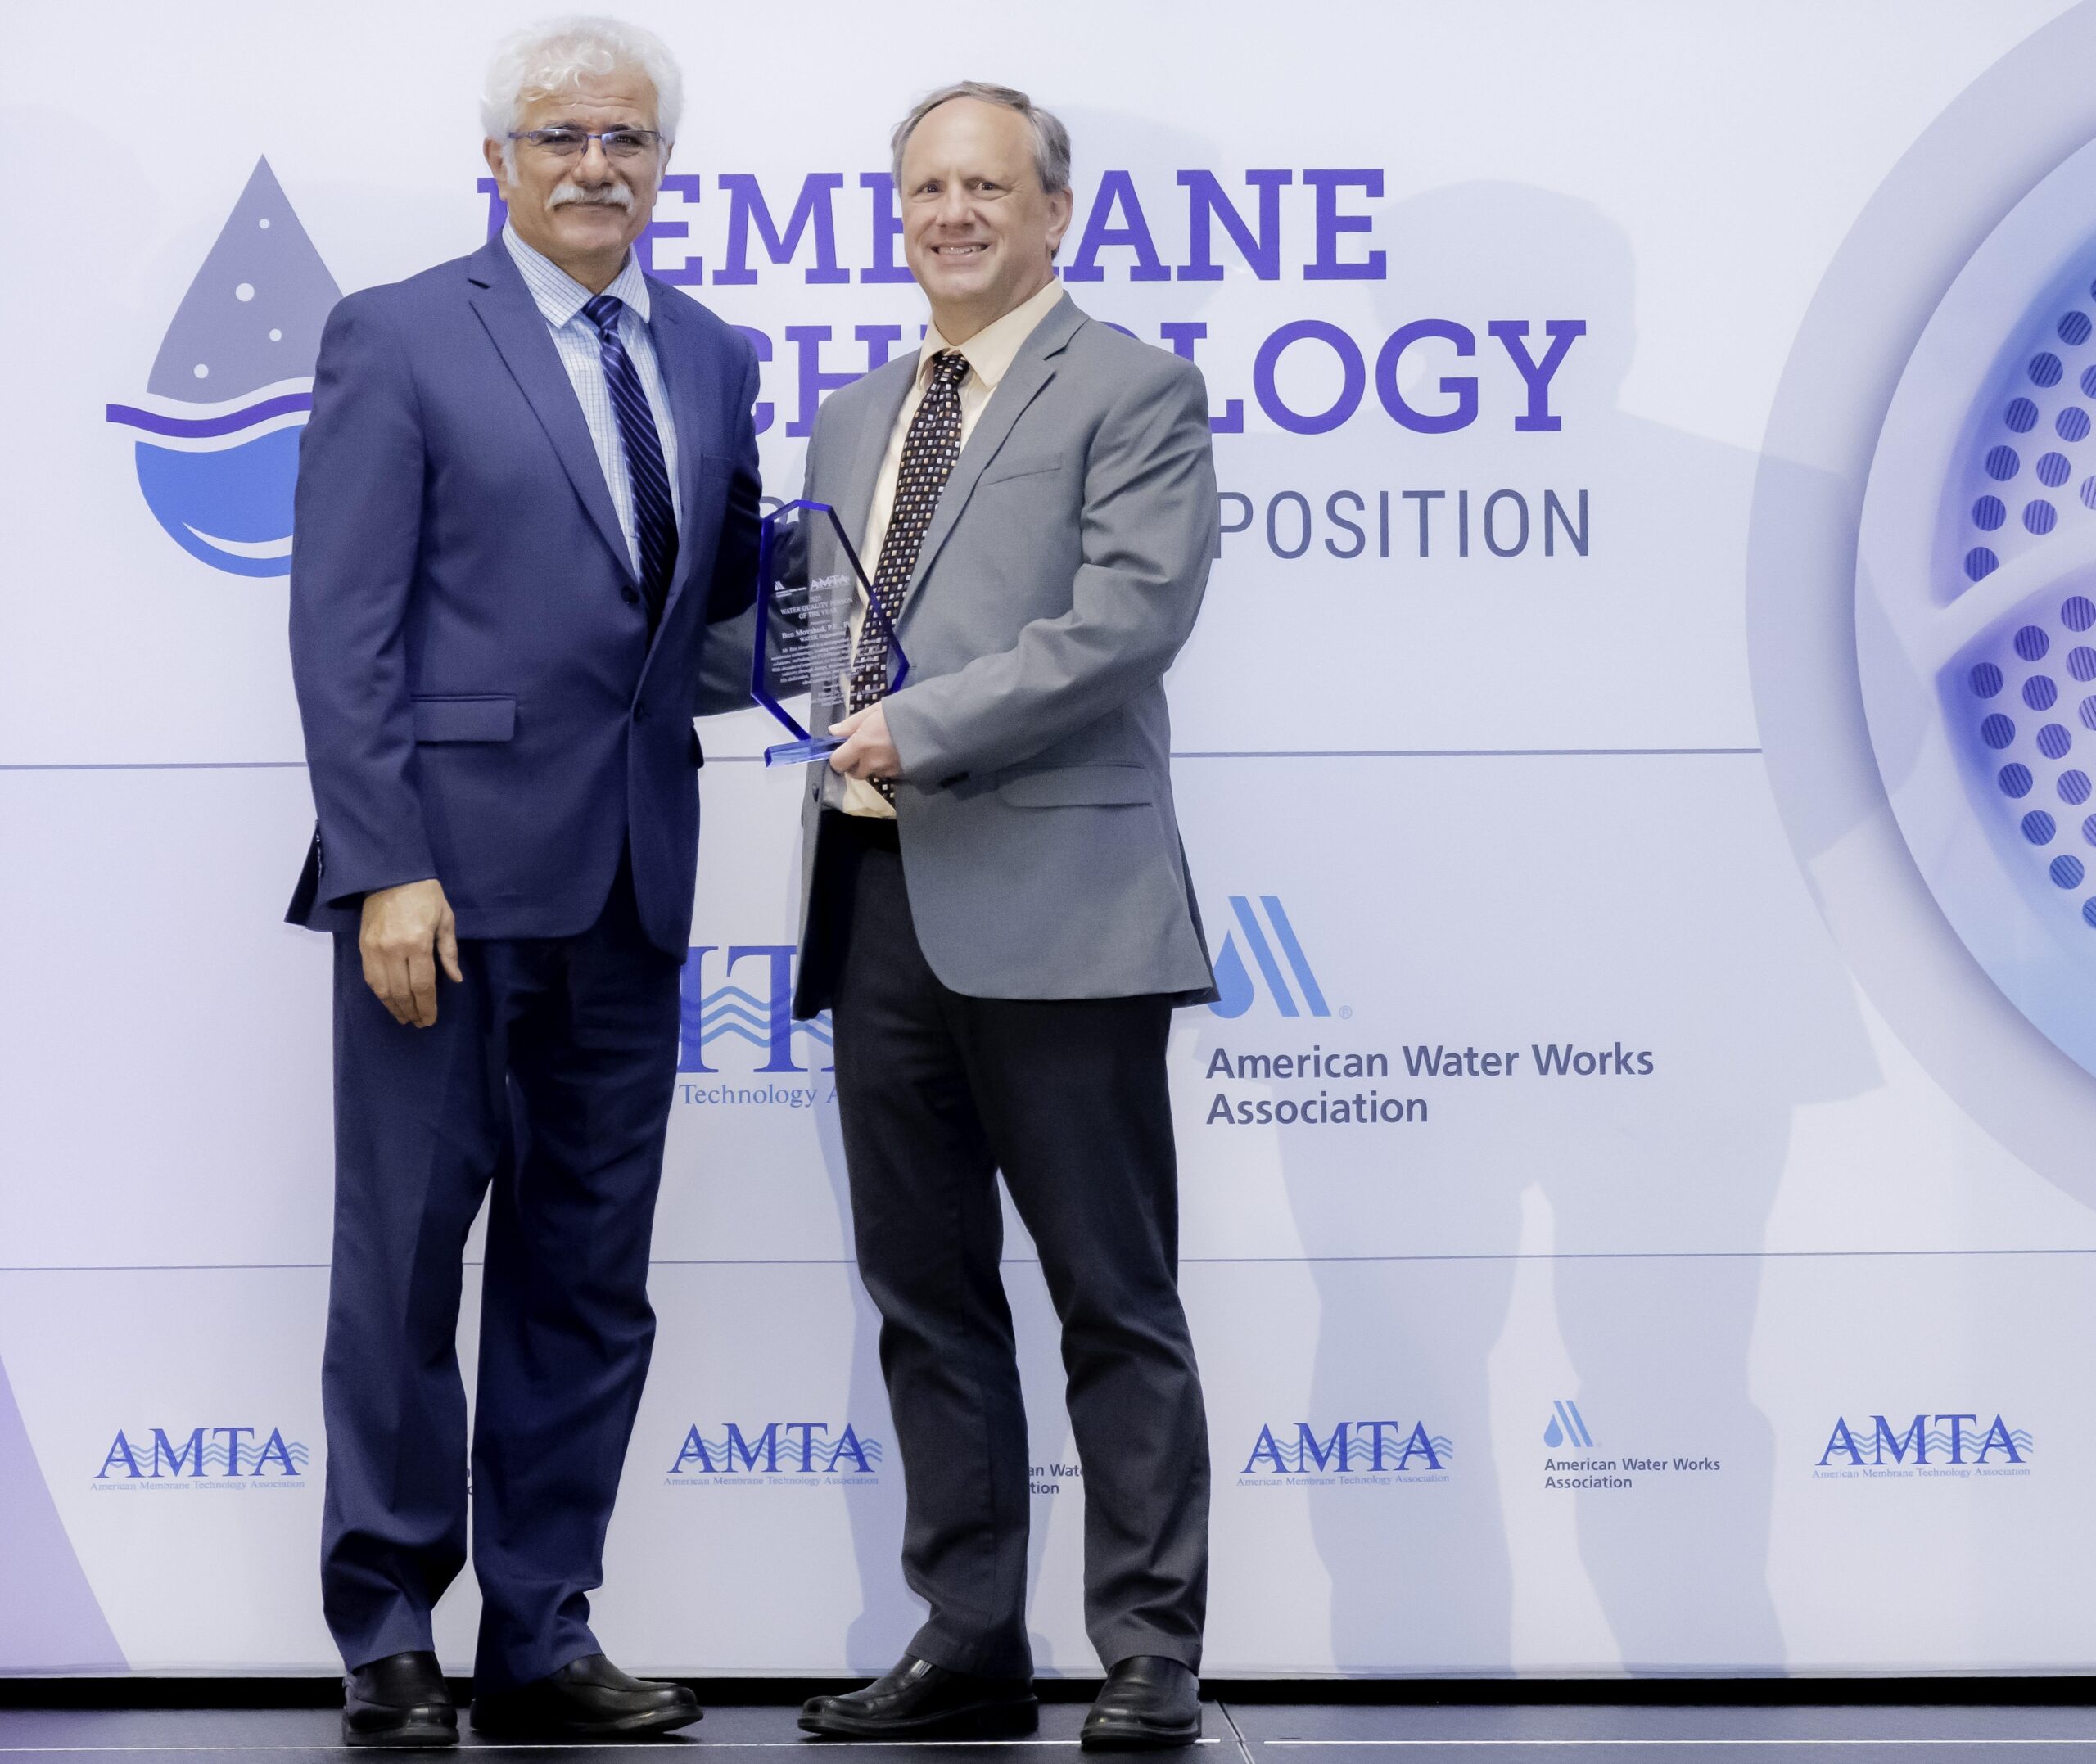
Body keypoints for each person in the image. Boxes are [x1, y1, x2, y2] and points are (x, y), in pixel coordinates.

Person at [284, 15, 758, 1748]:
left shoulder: (711, 353)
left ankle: (544, 1634)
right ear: (497, 161)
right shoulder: (399, 333)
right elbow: (341, 630)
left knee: (586, 1281)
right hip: (447, 898)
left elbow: (711, 613)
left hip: (634, 887)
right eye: (561, 137)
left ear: (663, 165)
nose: (594, 167)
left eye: (626, 139)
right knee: (407, 1271)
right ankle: (389, 1629)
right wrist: (383, 865)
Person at [788, 82, 1218, 1750]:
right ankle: (967, 1634)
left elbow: (1128, 617)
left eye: (984, 187)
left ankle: (1148, 1648)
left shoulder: (1133, 386)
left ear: (1054, 211)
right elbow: (819, 629)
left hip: (1061, 903)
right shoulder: (854, 413)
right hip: (874, 894)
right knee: (926, 1297)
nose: (951, 216)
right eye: (925, 191)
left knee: (1112, 1294)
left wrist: (923, 723)